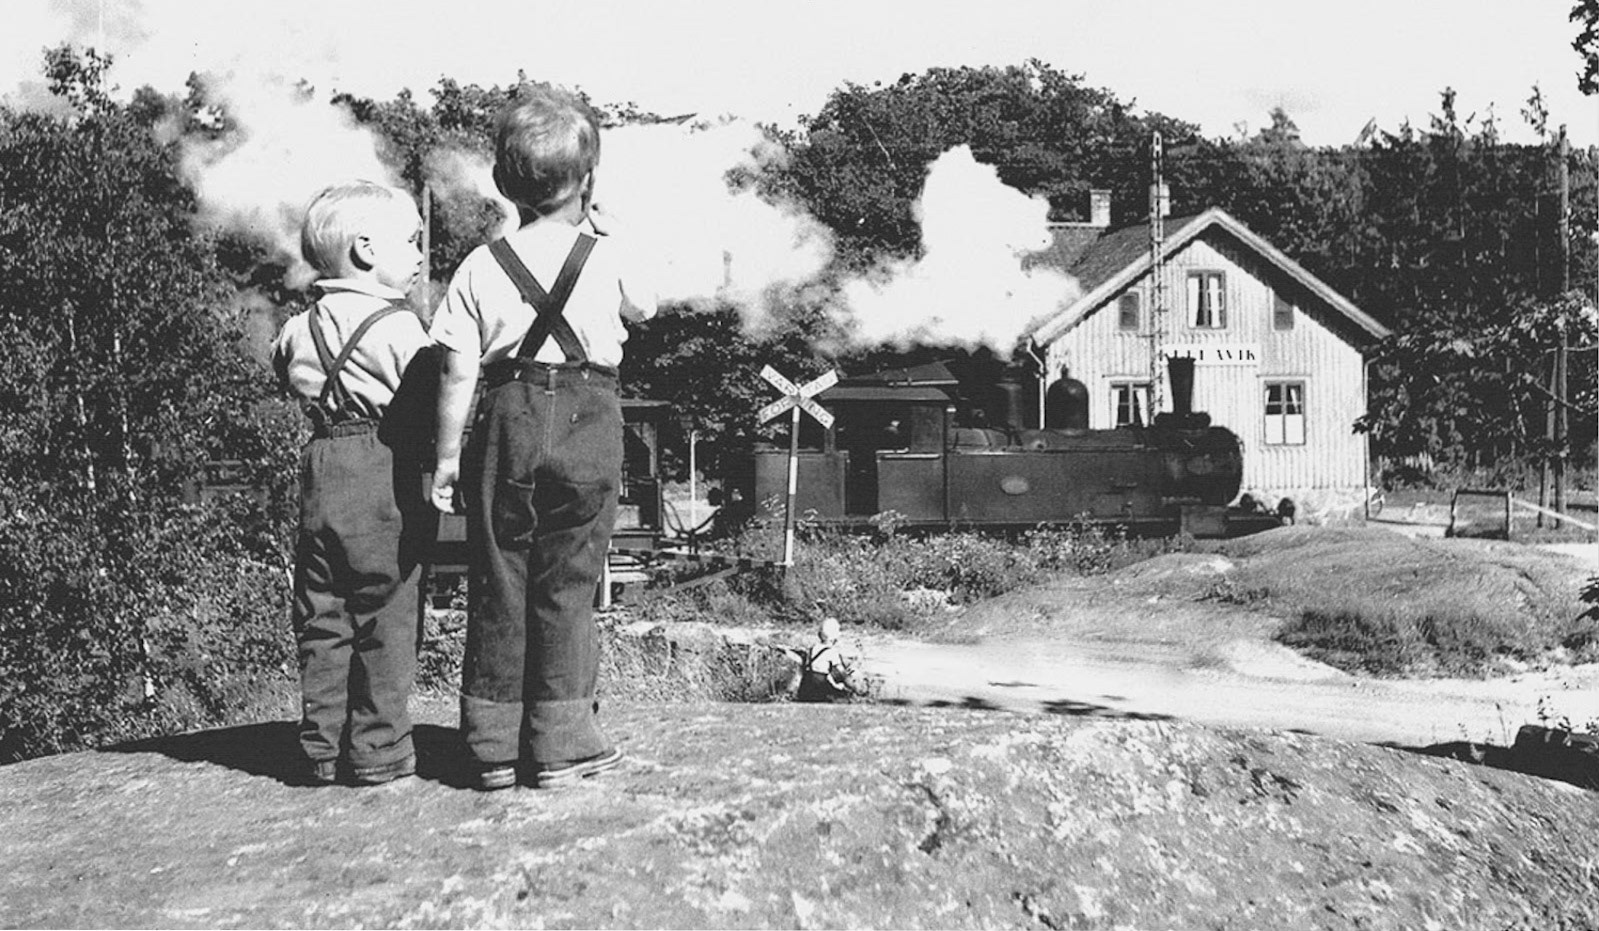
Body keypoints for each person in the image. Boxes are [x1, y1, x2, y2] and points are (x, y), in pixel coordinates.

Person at [429, 85, 657, 791]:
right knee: (569, 579)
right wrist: (615, 231)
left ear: (504, 184)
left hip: (507, 415)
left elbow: (455, 371)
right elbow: (644, 304)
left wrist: (444, 456)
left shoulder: (477, 266)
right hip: (590, 415)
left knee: (499, 577)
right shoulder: (606, 252)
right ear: (587, 181)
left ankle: (492, 745)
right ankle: (561, 743)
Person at [273, 181, 433, 786]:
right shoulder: (400, 328)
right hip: (380, 466)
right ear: (367, 250)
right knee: (385, 611)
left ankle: (319, 748)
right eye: (412, 241)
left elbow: (284, 370)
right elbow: (428, 401)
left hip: (319, 466)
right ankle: (378, 749)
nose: (420, 253)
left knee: (322, 613)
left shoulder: (297, 329)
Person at [796, 617, 857, 703]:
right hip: (820, 687)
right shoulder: (832, 652)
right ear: (834, 638)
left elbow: (802, 670)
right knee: (845, 697)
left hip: (805, 688)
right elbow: (843, 674)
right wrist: (854, 687)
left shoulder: (811, 649)